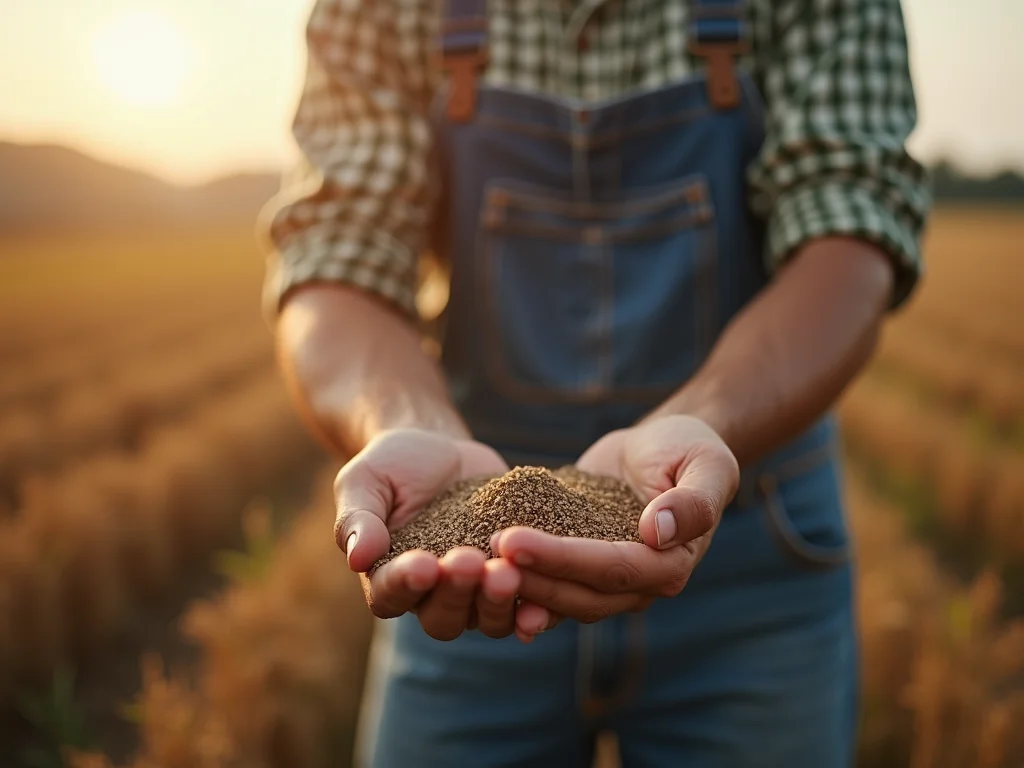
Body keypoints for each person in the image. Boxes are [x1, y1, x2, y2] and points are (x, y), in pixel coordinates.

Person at [262, 0, 930, 765]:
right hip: (477, 575)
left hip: (753, 552)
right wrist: (403, 421)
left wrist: (705, 423)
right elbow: (338, 255)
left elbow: (849, 228)